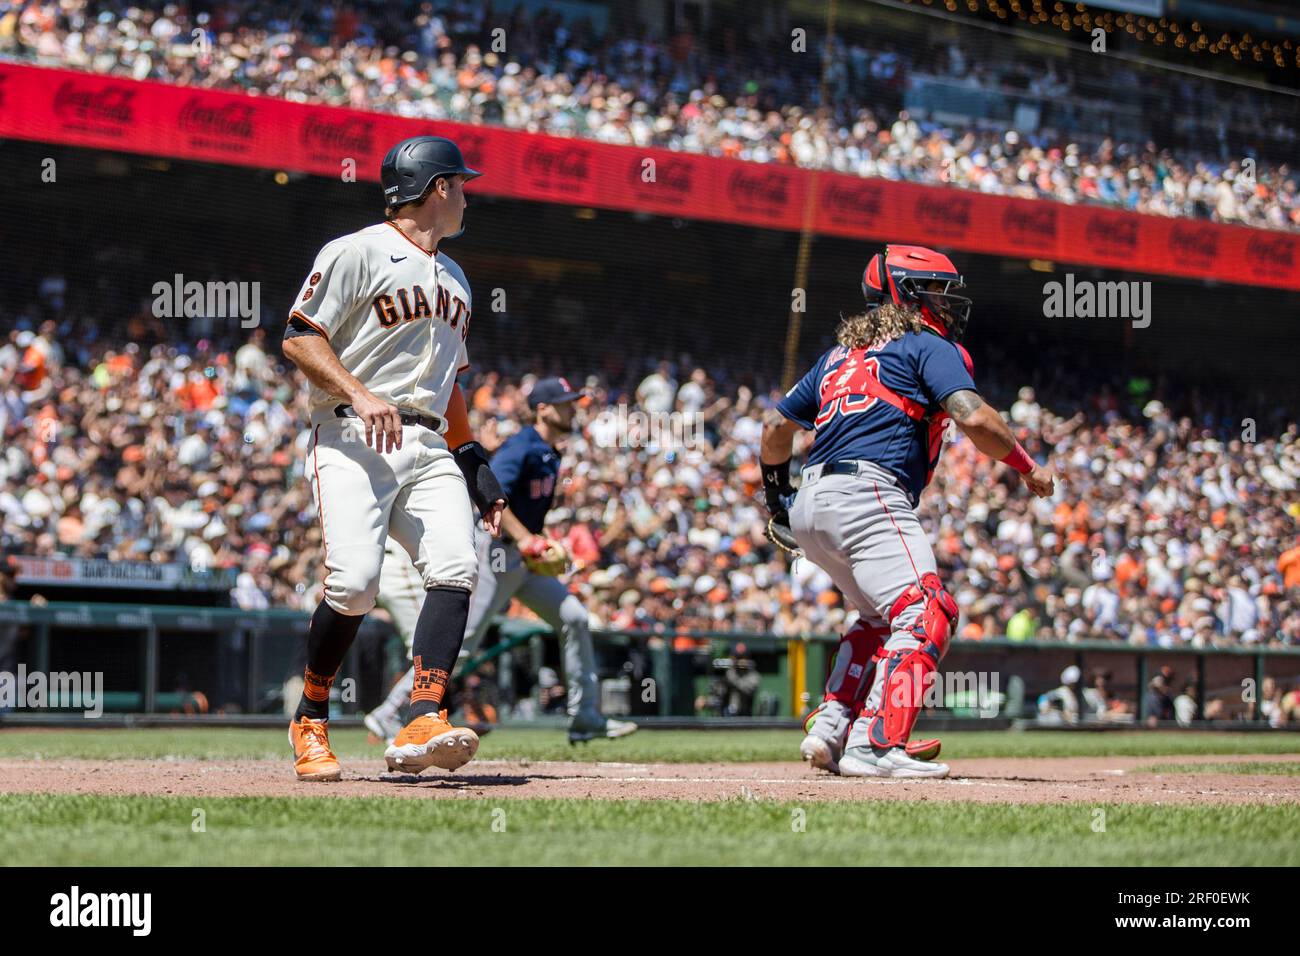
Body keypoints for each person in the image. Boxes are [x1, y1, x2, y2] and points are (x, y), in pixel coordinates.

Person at [762, 245, 1054, 778]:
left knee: (879, 619)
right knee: (927, 613)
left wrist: (777, 498)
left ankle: (832, 725)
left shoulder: (836, 358)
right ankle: (877, 742)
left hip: (813, 499)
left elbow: (775, 431)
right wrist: (1027, 465)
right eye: (937, 290)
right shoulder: (927, 344)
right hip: (867, 491)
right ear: (908, 292)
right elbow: (972, 416)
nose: (947, 301)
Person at [281, 135, 506, 781]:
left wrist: (475, 465)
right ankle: (312, 715)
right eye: (460, 184)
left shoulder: (457, 278)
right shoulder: (355, 251)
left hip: (430, 440)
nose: (466, 195)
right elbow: (299, 337)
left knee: (457, 566)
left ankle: (425, 712)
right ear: (438, 188)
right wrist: (358, 391)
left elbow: (452, 382)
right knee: (353, 584)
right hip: (352, 434)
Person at [363, 377, 636, 744]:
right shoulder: (522, 446)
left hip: (521, 560)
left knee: (574, 617)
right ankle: (389, 713)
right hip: (496, 554)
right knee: (461, 641)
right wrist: (526, 539)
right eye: (566, 403)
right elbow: (492, 498)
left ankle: (585, 715)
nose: (573, 409)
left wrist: (533, 541)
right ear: (543, 409)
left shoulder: (549, 450)